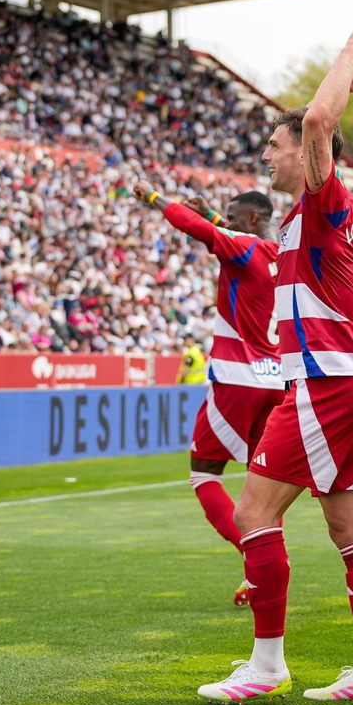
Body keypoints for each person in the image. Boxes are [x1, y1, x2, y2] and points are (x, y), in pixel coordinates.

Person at [196, 16, 353, 705]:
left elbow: (318, 120)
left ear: (309, 156)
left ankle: (266, 665)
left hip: (325, 383)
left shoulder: (321, 200)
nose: (267, 155)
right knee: (350, 528)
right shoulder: (298, 218)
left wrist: (351, 50)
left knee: (254, 513)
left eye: (274, 145)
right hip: (347, 381)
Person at [134, 183, 283, 606]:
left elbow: (198, 229)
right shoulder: (282, 253)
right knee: (263, 487)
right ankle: (265, 568)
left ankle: (257, 561)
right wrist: (215, 215)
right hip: (276, 381)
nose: (226, 223)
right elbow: (231, 233)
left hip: (237, 377)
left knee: (204, 474)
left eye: (233, 217)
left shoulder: (243, 247)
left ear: (252, 218)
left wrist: (156, 199)